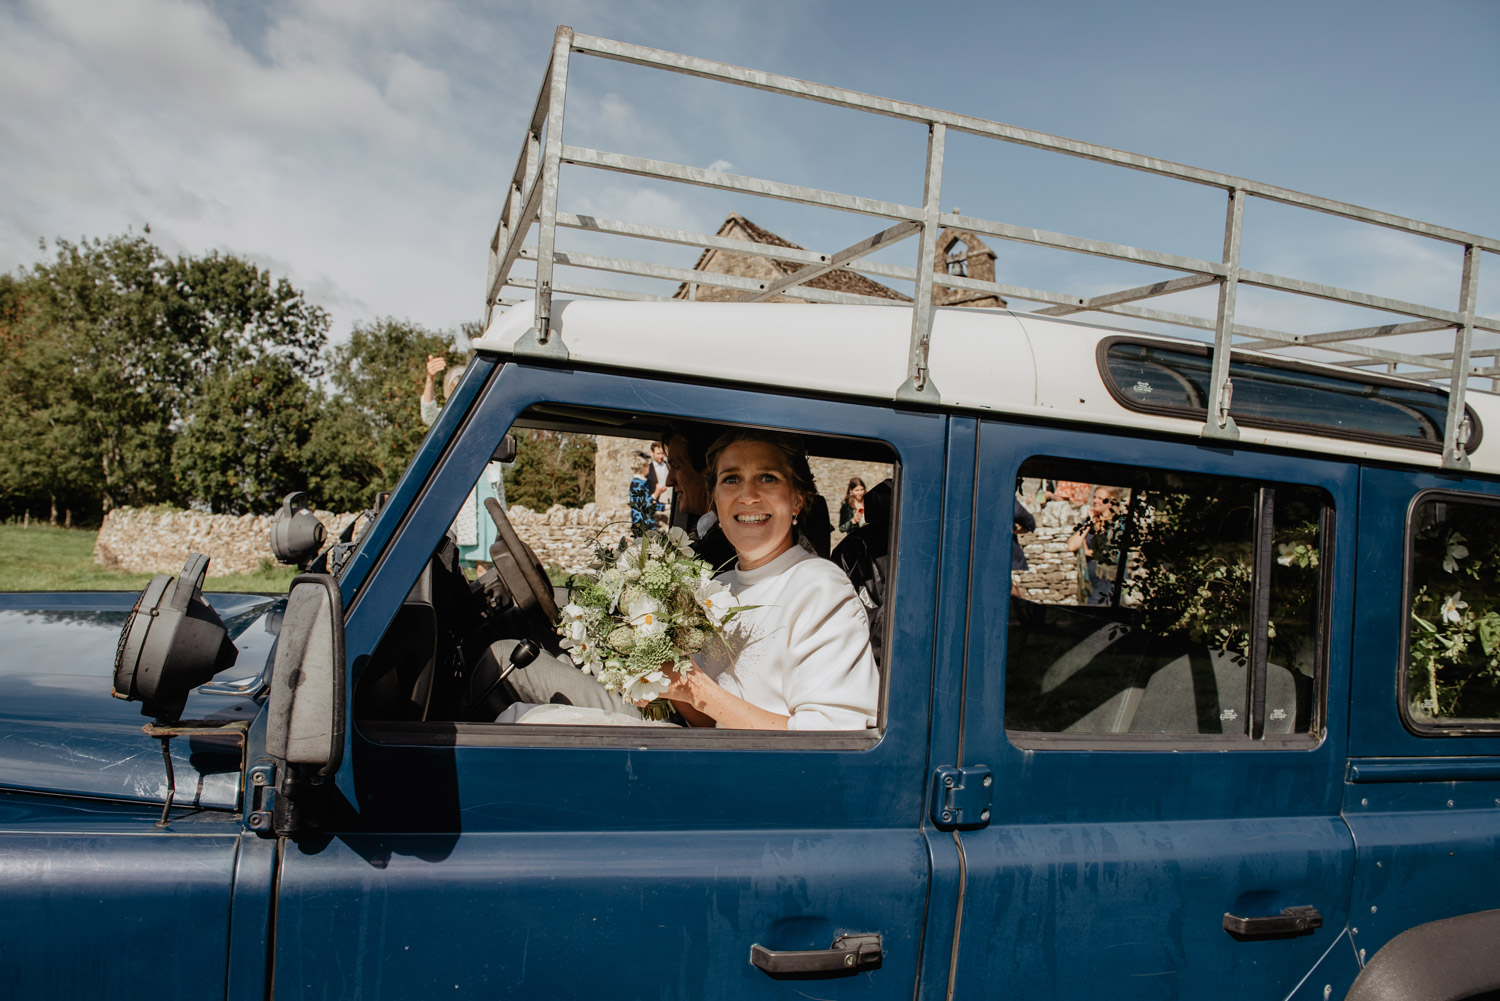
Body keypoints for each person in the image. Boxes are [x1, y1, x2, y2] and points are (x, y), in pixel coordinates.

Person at [648, 430, 879, 730]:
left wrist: (696, 688)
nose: (748, 496)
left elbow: (829, 742)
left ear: (798, 500)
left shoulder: (820, 588)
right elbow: (711, 724)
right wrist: (669, 681)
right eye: (731, 479)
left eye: (767, 478)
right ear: (715, 500)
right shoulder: (720, 587)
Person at [418, 354, 503, 571]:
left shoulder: (487, 416)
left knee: (488, 552)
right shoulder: (450, 420)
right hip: (462, 491)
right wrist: (430, 378)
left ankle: (489, 600)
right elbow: (428, 413)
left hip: (486, 488)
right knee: (458, 555)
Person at [1067, 485, 1127, 605]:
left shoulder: (1120, 524)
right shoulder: (1090, 522)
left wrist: (1093, 552)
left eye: (1100, 498)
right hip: (1094, 588)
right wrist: (1089, 522)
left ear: (1111, 502)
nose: (1095, 501)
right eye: (1094, 497)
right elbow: (1072, 545)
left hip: (1113, 583)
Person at [628, 452, 653, 533]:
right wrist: (665, 506)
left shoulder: (638, 482)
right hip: (641, 523)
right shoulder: (638, 484)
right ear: (644, 467)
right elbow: (645, 504)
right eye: (648, 466)